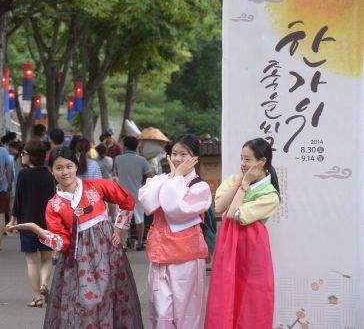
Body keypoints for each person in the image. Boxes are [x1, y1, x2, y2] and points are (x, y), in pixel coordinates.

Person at [9, 147, 143, 328]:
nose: (64, 172)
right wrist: (38, 231)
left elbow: (127, 201)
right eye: (59, 168)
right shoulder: (53, 205)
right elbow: (62, 243)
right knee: (85, 305)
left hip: (107, 255)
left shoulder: (97, 186)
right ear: (51, 170)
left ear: (76, 167)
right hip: (77, 262)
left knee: (109, 301)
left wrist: (119, 229)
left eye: (68, 166)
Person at [204, 138, 281, 329]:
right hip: (228, 243)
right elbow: (219, 208)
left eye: (247, 159)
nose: (243, 164)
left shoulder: (271, 195)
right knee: (225, 292)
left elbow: (233, 214)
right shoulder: (233, 180)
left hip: (253, 248)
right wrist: (240, 181)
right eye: (241, 158)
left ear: (262, 161)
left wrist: (244, 184)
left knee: (252, 296)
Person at [139, 134, 211, 328]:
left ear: (194, 157)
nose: (177, 159)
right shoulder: (161, 179)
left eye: (183, 154)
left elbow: (176, 209)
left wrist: (175, 179)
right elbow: (147, 203)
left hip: (187, 256)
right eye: (174, 153)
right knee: (160, 310)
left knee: (186, 311)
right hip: (160, 254)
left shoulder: (201, 187)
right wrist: (173, 179)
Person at [7, 141, 56, 307]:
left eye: (24, 154)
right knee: (47, 259)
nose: (22, 156)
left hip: (27, 223)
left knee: (31, 261)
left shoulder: (23, 175)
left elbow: (18, 200)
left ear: (30, 156)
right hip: (47, 223)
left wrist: (13, 220)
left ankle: (37, 297)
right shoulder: (50, 175)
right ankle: (44, 285)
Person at [114, 136, 152, 250]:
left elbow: (115, 174)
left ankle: (123, 244)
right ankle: (140, 244)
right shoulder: (142, 160)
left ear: (125, 146)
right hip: (137, 194)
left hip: (122, 195)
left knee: (124, 221)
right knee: (140, 220)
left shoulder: (117, 159)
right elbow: (150, 176)